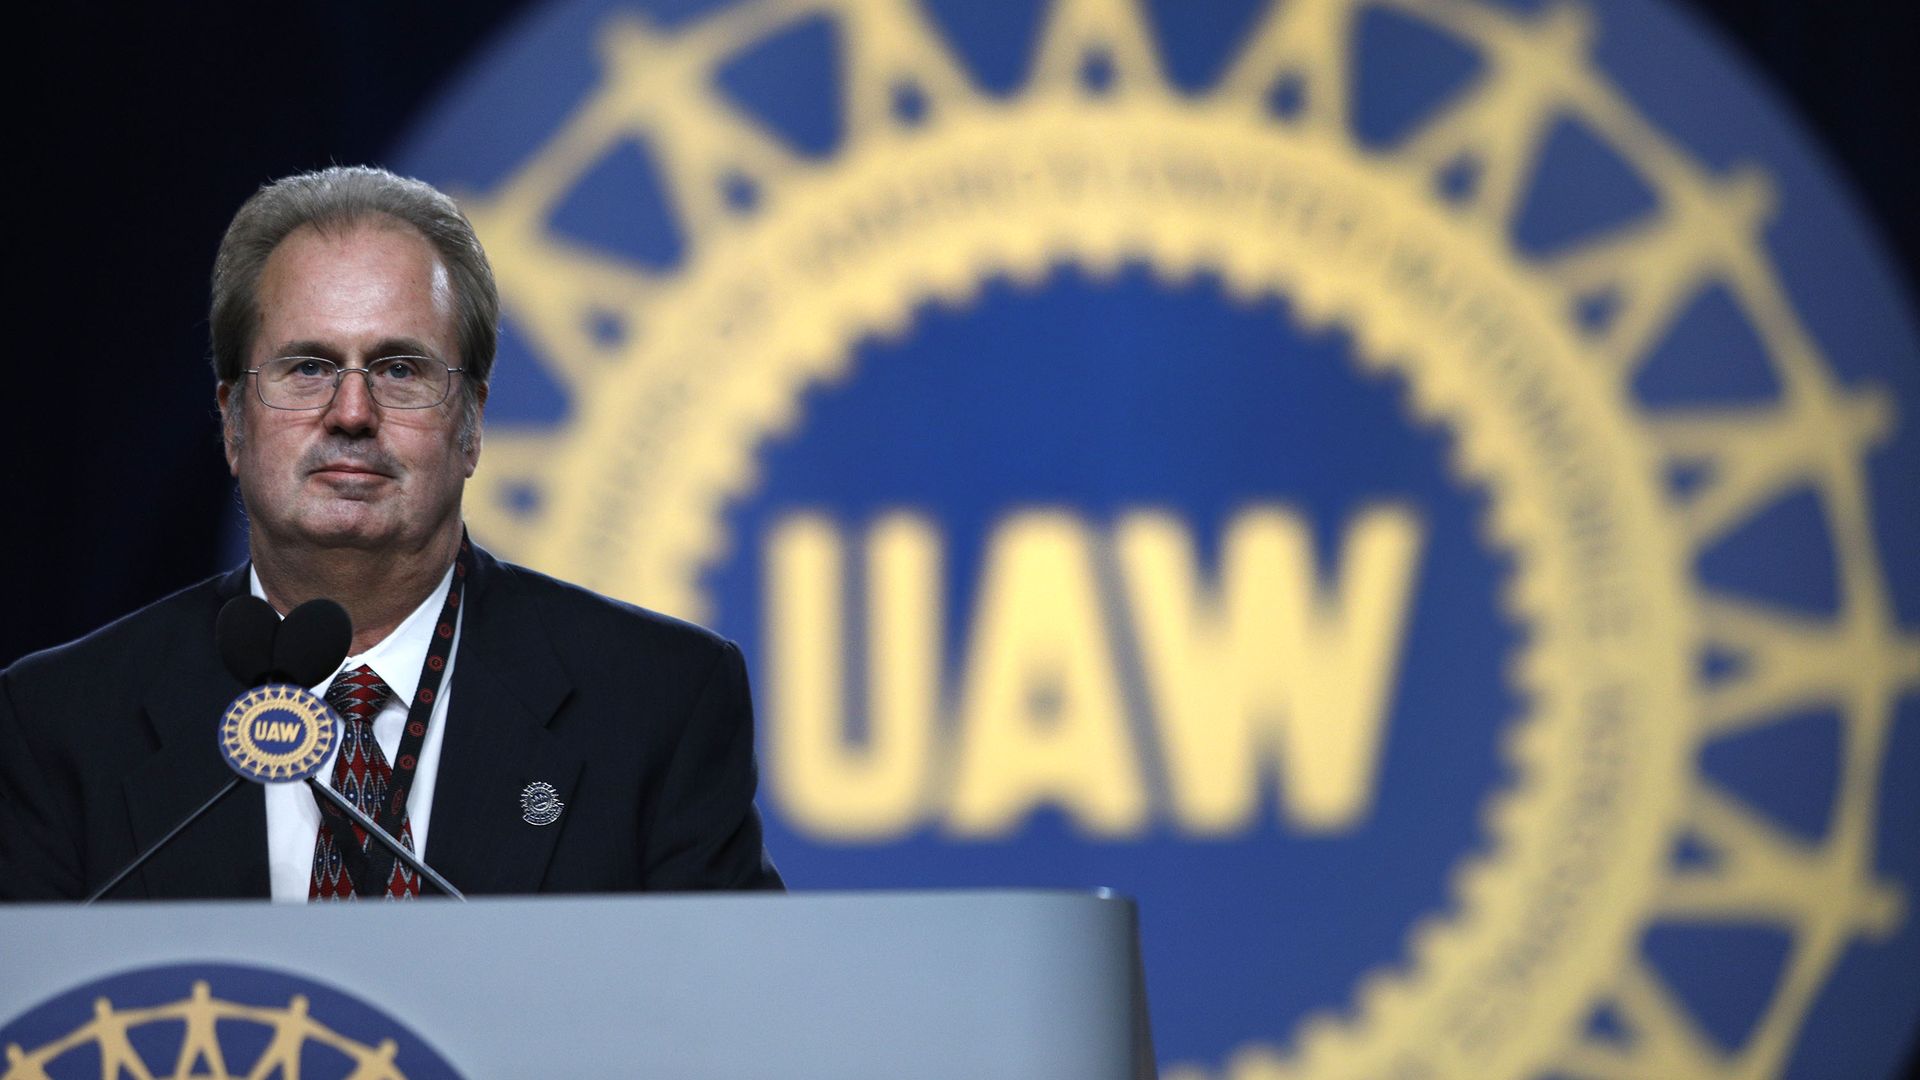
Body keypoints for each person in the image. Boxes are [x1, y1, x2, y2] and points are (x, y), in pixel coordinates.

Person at [0, 166, 782, 900]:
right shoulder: (64, 725)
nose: (350, 412)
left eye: (401, 369)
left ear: (472, 425)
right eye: (307, 367)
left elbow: (739, 1017)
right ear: (233, 423)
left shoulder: (656, 705)